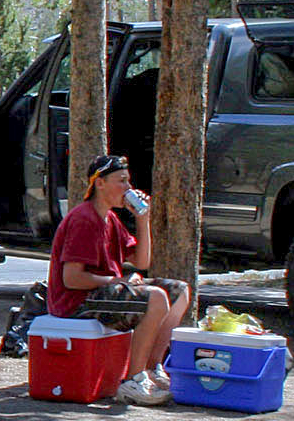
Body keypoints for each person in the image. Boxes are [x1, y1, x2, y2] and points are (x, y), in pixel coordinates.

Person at [47, 154, 191, 407]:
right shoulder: (84, 218)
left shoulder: (111, 219)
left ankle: (152, 368)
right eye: (121, 181)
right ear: (100, 183)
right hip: (76, 301)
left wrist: (143, 220)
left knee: (180, 291)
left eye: (128, 181)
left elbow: (142, 261)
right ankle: (133, 381)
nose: (128, 187)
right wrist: (117, 280)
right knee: (156, 298)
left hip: (102, 292)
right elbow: (72, 279)